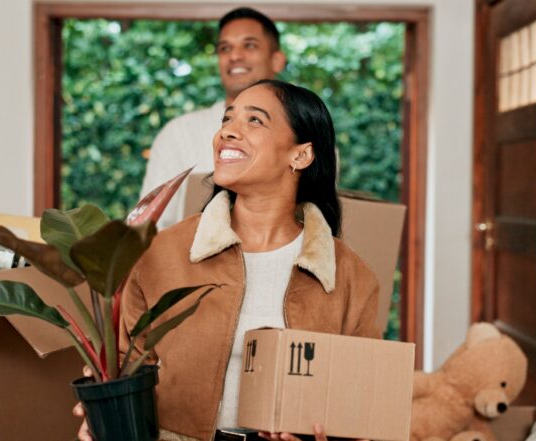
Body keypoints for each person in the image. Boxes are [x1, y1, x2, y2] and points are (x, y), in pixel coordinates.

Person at [76, 80, 380, 441]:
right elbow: (126, 363)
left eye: (255, 121)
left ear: (300, 155)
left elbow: (360, 405)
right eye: (227, 119)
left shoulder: (350, 277)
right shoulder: (161, 254)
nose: (227, 133)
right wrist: (102, 413)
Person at [141, 7, 286, 230]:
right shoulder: (177, 133)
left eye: (249, 45)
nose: (235, 56)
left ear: (277, 60)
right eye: (225, 48)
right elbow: (148, 227)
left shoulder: (305, 135)